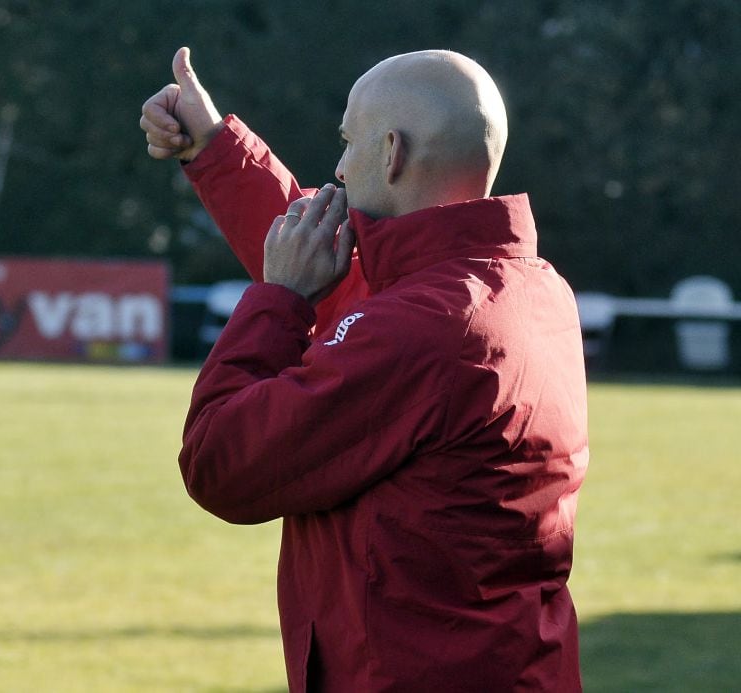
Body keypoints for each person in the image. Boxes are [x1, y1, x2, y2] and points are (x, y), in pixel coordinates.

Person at [141, 47, 588, 691]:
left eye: (350, 143)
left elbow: (221, 464)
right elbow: (347, 273)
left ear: (392, 153)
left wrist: (281, 300)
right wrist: (213, 147)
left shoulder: (424, 327)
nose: (339, 166)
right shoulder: (523, 286)